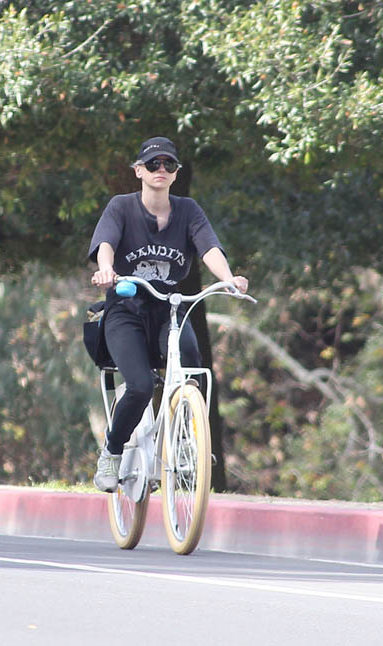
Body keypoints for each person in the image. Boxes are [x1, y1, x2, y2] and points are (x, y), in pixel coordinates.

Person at [87, 136, 248, 492]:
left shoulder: (188, 210)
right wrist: (106, 269)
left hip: (168, 309)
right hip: (126, 310)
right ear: (139, 171)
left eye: (168, 164)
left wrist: (228, 279)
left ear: (176, 173)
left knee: (191, 363)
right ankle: (112, 452)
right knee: (141, 386)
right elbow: (106, 244)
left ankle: (187, 438)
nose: (161, 169)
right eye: (153, 164)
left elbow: (208, 247)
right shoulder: (121, 207)